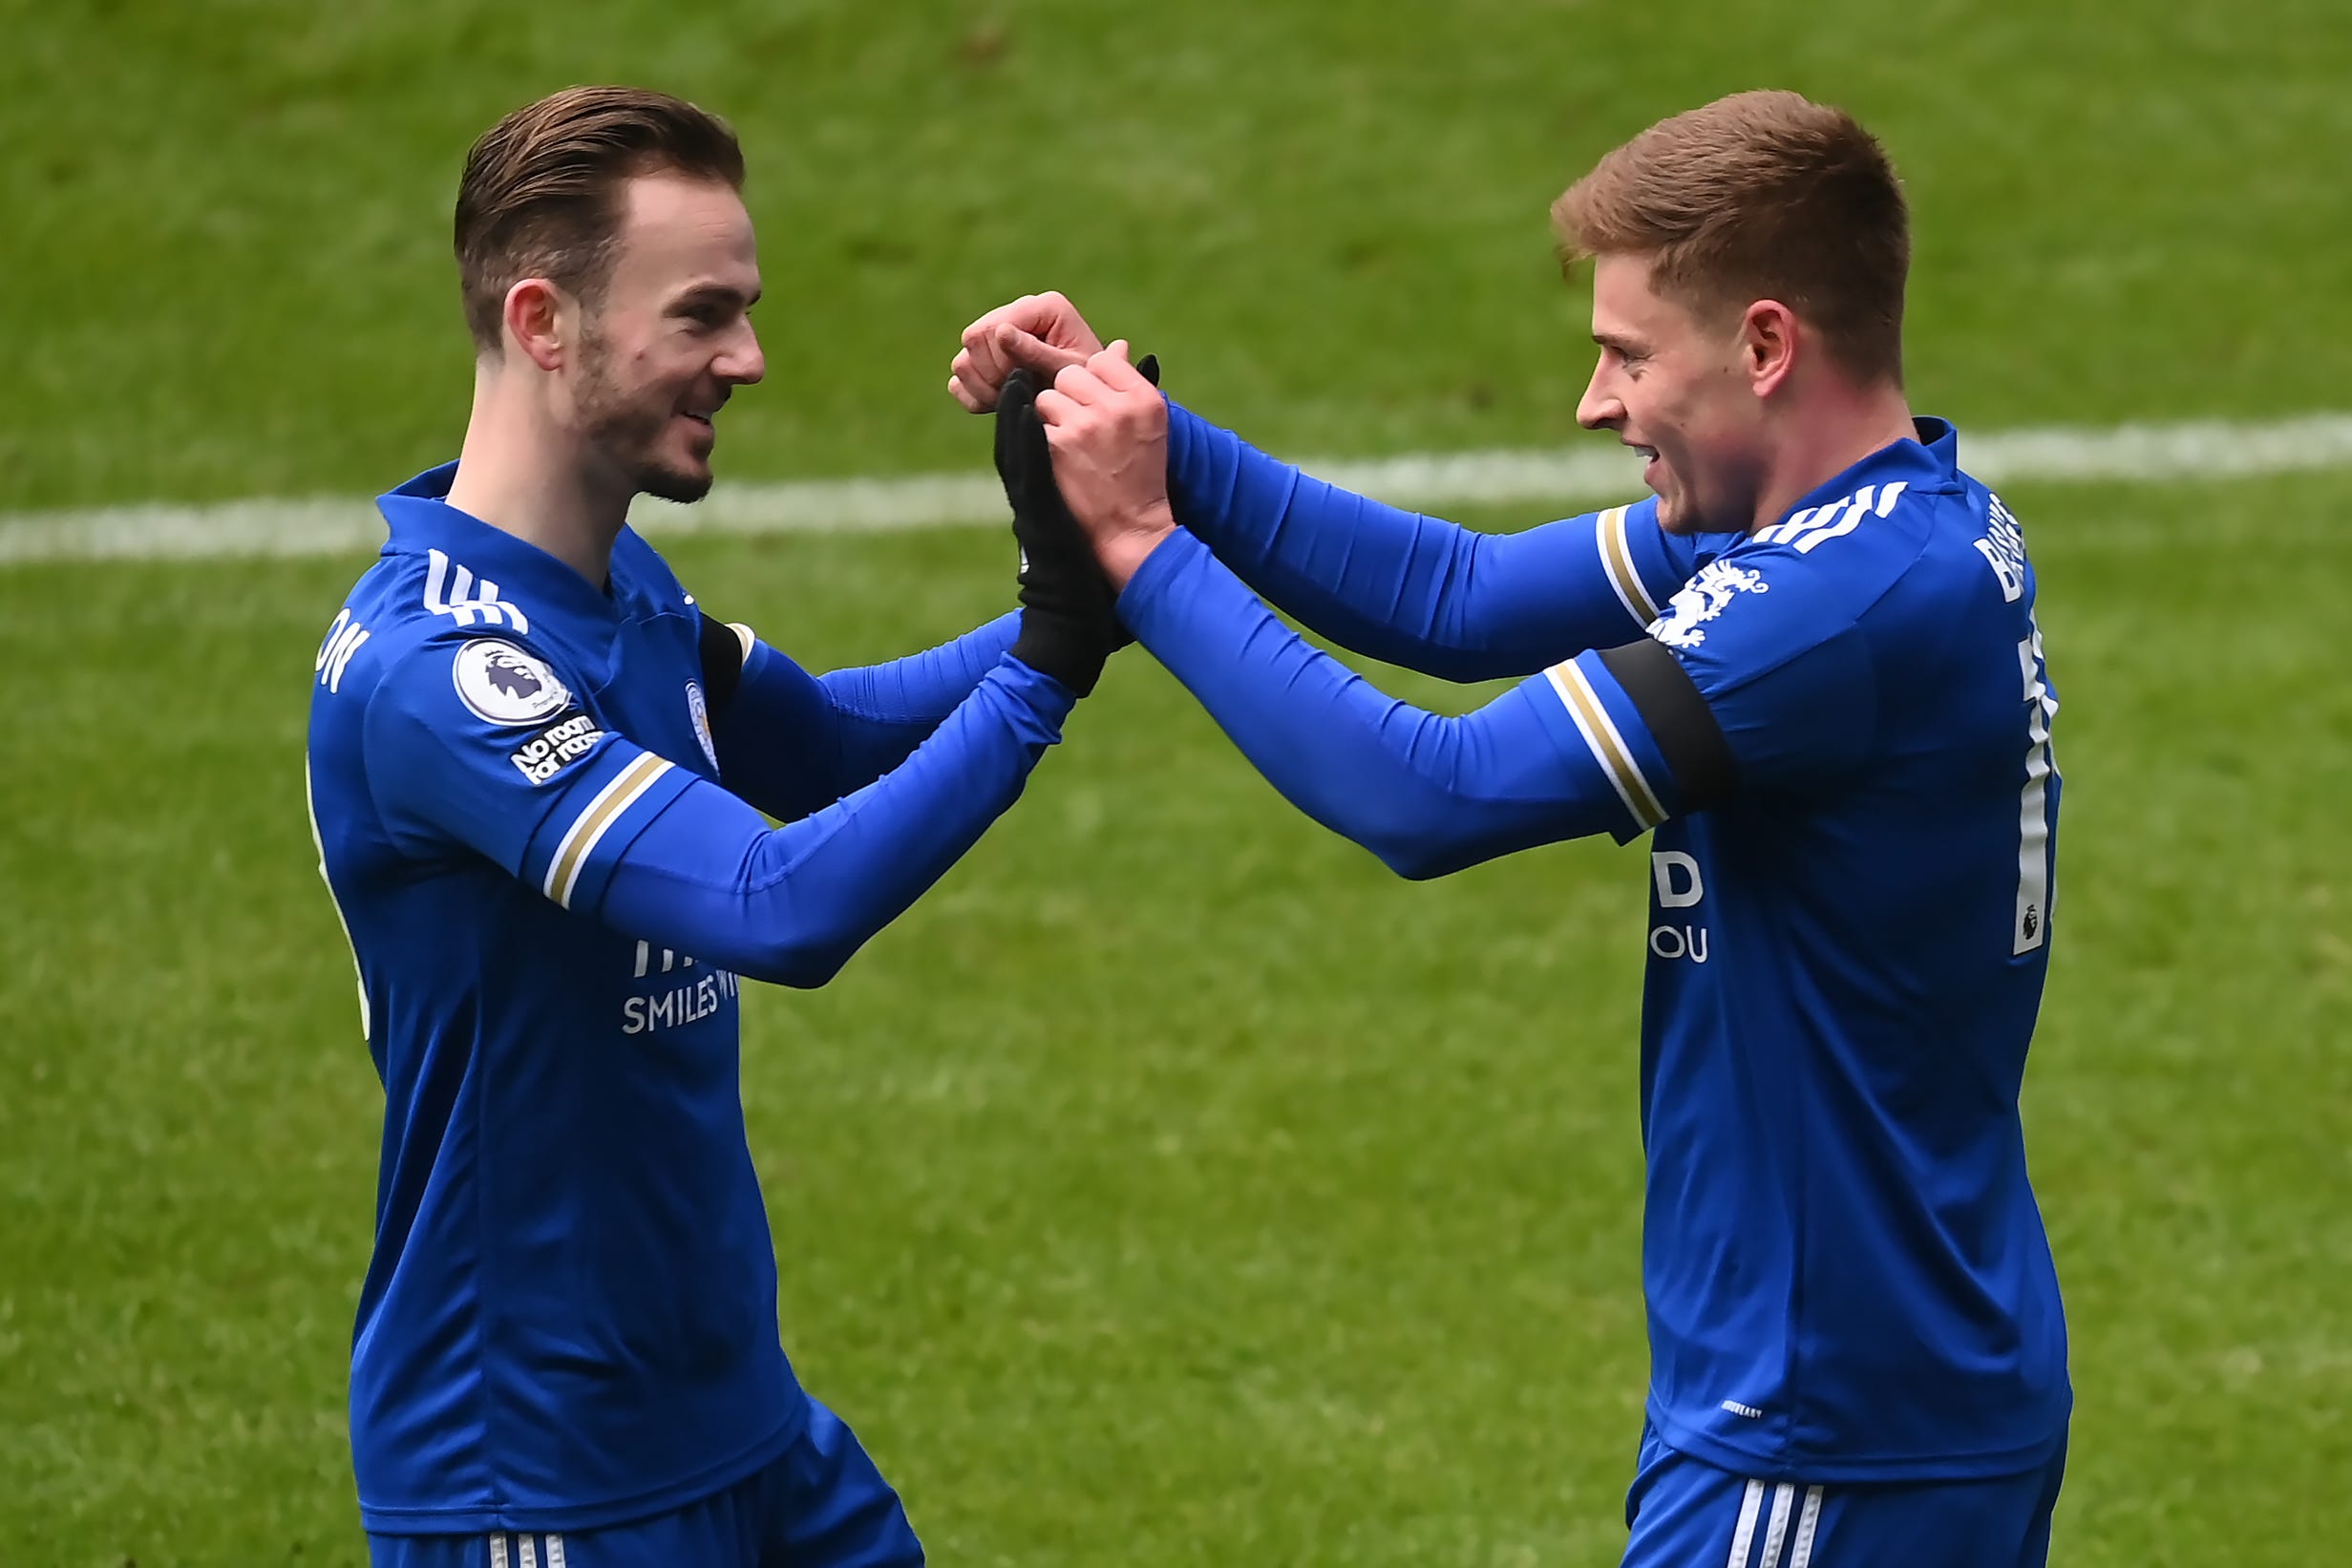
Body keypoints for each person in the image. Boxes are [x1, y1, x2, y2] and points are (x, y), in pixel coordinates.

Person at [951, 91, 2069, 1567]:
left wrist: (1144, 548)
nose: (1595, 405)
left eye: (1624, 356)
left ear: (1764, 345)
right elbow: (1458, 599)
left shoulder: (1827, 610)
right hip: (1913, 1366)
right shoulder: (1872, 527)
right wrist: (1136, 420)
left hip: (1823, 1423)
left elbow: (1431, 793)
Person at [305, 87, 1121, 1567]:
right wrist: (1053, 654)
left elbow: (827, 742)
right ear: (544, 322)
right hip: (542, 1480)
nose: (746, 359)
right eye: (702, 316)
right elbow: (771, 900)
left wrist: (1078, 567)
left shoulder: (620, 598)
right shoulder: (441, 677)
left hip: (742, 1428)